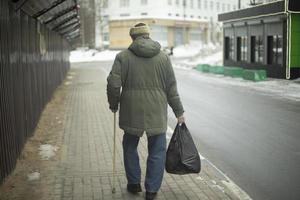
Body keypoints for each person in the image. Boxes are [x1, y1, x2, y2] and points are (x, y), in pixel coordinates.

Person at [107, 22, 185, 200]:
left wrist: (113, 104)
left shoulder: (122, 56)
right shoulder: (163, 58)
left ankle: (134, 183)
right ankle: (152, 189)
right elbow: (171, 88)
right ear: (148, 36)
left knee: (129, 147)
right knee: (157, 151)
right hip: (156, 111)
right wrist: (179, 112)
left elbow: (113, 84)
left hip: (131, 111)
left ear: (132, 37)